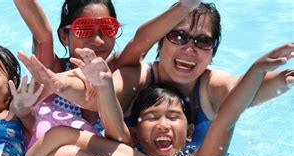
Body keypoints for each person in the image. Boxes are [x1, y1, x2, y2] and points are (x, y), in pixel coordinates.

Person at [19, 1, 294, 148]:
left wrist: (280, 76)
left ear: (213, 52)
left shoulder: (213, 86)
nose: (189, 48)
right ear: (161, 44)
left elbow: (251, 91)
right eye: (178, 36)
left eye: (203, 41)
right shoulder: (134, 76)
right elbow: (96, 94)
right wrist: (58, 84)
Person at [24, 45, 293, 156]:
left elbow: (228, 115)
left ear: (189, 132)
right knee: (66, 153)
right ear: (137, 131)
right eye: (152, 117)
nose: (163, 125)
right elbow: (61, 135)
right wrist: (104, 85)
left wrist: (257, 70)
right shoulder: (125, 148)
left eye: (173, 117)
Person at [15, 0, 203, 133]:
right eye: (84, 29)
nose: (97, 40)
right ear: (65, 35)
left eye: (107, 28)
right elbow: (43, 33)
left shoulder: (115, 69)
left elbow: (141, 41)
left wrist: (184, 6)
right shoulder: (51, 69)